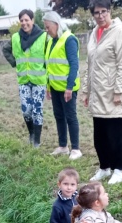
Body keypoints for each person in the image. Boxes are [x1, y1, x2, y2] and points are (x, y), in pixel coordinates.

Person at [82, 0, 122, 185]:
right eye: (96, 12)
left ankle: (119, 169)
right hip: (97, 93)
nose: (100, 15)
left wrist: (119, 91)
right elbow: (89, 64)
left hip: (111, 92)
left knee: (114, 133)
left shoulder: (120, 32)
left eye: (104, 11)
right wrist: (86, 90)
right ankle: (104, 167)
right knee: (100, 134)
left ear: (110, 11)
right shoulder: (94, 33)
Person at [2, 9, 48, 148]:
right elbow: (5, 49)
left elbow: (49, 54)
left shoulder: (43, 36)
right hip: (23, 80)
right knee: (26, 110)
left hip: (39, 80)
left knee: (37, 110)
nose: (24, 23)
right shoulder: (16, 37)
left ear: (33, 20)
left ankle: (37, 141)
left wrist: (46, 68)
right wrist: (14, 62)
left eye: (27, 20)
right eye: (21, 20)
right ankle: (31, 134)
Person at [43, 11, 82, 161]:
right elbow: (49, 66)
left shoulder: (69, 40)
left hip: (67, 88)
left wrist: (69, 87)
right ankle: (63, 146)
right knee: (59, 116)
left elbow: (74, 65)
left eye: (48, 27)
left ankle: (76, 149)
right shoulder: (51, 42)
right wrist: (48, 87)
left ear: (56, 25)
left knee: (70, 117)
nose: (46, 30)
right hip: (54, 87)